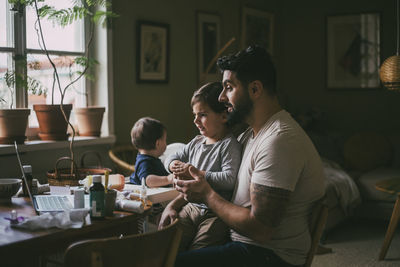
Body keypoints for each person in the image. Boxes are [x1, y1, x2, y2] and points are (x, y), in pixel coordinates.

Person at [159, 46, 326, 267]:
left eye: (229, 87)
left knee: (168, 263)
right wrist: (174, 204)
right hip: (240, 241)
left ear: (255, 89)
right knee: (158, 252)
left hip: (267, 255)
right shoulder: (251, 133)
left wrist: (207, 194)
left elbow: (261, 229)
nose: (221, 97)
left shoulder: (279, 141)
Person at [162, 82, 242, 251]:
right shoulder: (197, 142)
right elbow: (170, 157)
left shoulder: (229, 145)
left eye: (203, 115)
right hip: (190, 207)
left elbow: (229, 179)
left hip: (215, 214)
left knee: (199, 251)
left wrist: (199, 174)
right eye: (195, 115)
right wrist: (173, 164)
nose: (196, 120)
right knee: (170, 245)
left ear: (224, 116)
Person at [129, 117, 173, 187]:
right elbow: (147, 180)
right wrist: (167, 179)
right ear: (157, 143)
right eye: (165, 140)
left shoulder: (151, 159)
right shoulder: (144, 162)